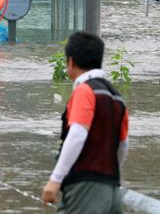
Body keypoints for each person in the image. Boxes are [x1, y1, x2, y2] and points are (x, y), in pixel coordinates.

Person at [41, 31, 129, 213]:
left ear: (71, 62)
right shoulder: (117, 97)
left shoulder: (84, 91)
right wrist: (110, 176)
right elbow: (123, 145)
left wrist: (55, 180)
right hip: (112, 189)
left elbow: (78, 134)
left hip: (85, 188)